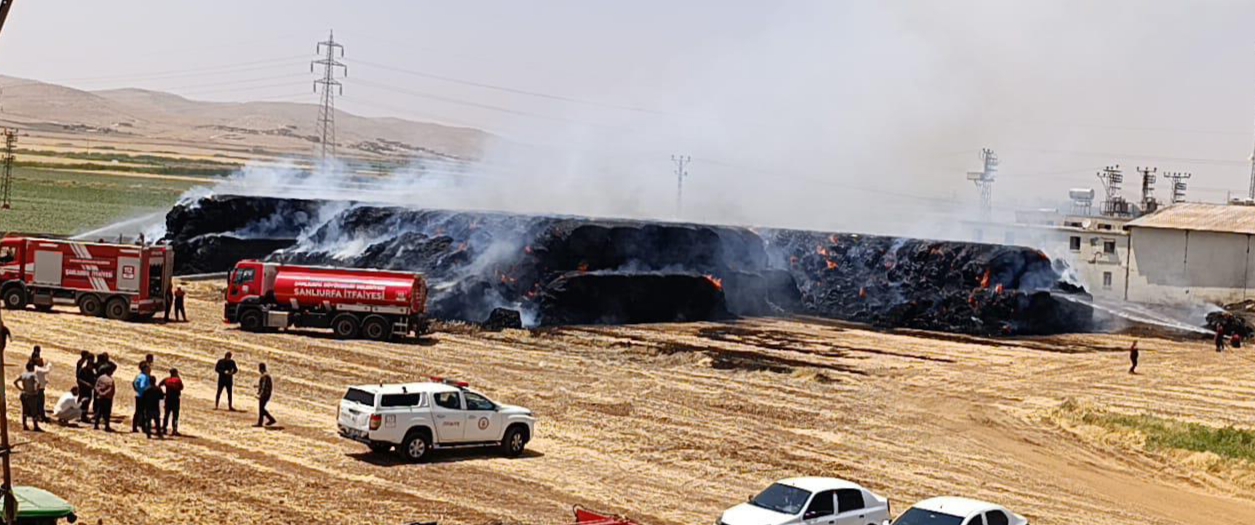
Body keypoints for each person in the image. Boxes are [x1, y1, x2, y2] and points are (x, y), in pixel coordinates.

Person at [13, 362, 41, 432]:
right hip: (31, 394)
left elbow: (15, 382)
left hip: (24, 394)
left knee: (24, 410)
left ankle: (24, 425)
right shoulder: (33, 375)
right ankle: (35, 426)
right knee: (34, 411)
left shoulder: (23, 375)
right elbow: (38, 383)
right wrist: (36, 391)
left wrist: (21, 389)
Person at [159, 369, 184, 436]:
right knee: (175, 416)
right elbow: (182, 387)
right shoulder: (178, 380)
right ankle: (174, 430)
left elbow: (159, 385)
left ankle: (164, 428)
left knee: (166, 414)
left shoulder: (166, 380)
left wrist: (163, 393)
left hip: (168, 399)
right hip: (175, 399)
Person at [132, 363, 154, 437]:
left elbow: (134, 384)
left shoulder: (138, 376)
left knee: (138, 412)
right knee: (144, 412)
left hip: (139, 395)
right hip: (144, 396)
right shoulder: (144, 377)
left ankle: (134, 427)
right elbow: (142, 386)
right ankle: (144, 428)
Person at [76, 354, 97, 423]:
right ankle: (80, 415)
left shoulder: (91, 372)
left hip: (89, 389)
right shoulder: (83, 370)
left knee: (87, 402)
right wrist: (87, 384)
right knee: (82, 402)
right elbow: (79, 379)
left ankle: (83, 415)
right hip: (83, 389)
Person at [93, 366, 116, 431]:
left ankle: (96, 425)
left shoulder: (100, 377)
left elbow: (96, 386)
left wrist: (100, 393)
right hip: (107, 398)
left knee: (99, 411)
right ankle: (107, 426)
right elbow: (110, 389)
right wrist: (104, 394)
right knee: (107, 412)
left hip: (100, 397)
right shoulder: (110, 380)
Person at [255, 363, 275, 427]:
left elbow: (264, 386)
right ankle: (269, 420)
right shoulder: (266, 375)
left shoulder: (264, 376)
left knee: (261, 409)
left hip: (265, 395)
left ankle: (265, 421)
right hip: (267, 394)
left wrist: (260, 394)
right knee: (262, 409)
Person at [33, 356, 51, 423]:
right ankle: (41, 416)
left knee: (39, 403)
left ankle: (40, 416)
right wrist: (49, 364)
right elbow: (47, 371)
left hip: (40, 388)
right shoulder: (37, 369)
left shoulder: (37, 368)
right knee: (40, 403)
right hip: (39, 389)